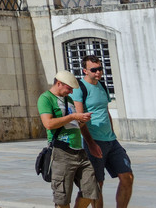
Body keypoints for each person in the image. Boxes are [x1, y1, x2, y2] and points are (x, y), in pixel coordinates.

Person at [73, 56, 134, 208]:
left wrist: (112, 134)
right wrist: (91, 144)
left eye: (100, 69)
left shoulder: (102, 86)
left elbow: (106, 111)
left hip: (111, 141)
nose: (98, 72)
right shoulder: (79, 88)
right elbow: (80, 120)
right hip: (92, 141)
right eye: (94, 70)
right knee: (97, 184)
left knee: (127, 177)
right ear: (85, 70)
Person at [38, 70, 101, 208]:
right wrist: (73, 117)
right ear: (59, 83)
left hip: (79, 151)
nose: (71, 92)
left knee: (91, 190)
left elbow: (74, 124)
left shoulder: (69, 100)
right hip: (62, 152)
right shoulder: (45, 98)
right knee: (62, 198)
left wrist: (82, 120)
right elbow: (48, 123)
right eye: (69, 88)